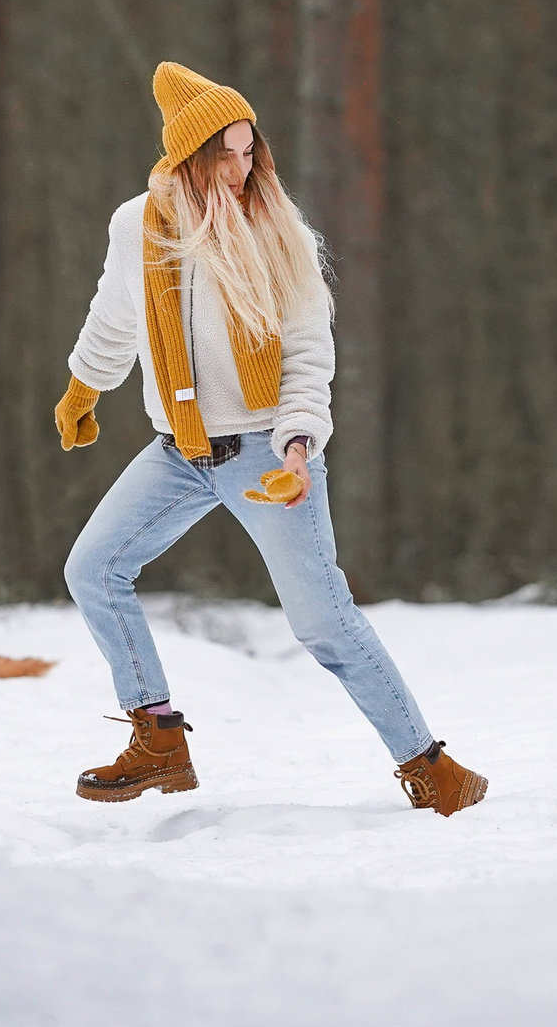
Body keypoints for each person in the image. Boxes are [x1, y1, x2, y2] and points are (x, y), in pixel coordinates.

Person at [53, 63, 488, 817]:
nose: (240, 167)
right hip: (178, 451)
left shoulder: (279, 233)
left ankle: (430, 766)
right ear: (188, 157)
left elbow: (308, 353)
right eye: (224, 152)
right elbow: (114, 318)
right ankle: (159, 739)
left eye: (249, 150)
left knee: (323, 622)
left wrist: (296, 444)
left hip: (263, 451)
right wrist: (84, 385)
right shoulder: (137, 226)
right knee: (93, 568)